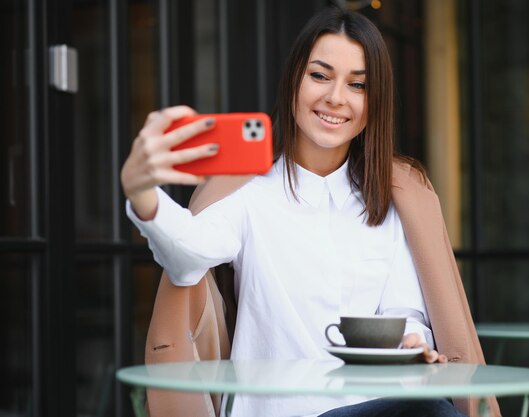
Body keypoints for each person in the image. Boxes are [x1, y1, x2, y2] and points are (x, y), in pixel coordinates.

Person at [122, 7, 500, 417]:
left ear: (375, 103)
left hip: (373, 406)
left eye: (357, 85)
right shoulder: (251, 193)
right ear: (293, 82)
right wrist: (143, 193)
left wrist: (411, 341)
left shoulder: (392, 200)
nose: (336, 97)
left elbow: (403, 315)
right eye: (319, 76)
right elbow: (186, 257)